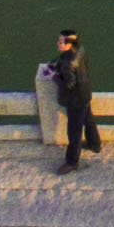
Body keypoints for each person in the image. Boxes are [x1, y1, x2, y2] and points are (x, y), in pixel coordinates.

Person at [49, 28, 101, 171]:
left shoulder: (68, 63)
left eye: (61, 42)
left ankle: (72, 162)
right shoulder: (81, 50)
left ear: (69, 44)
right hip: (84, 92)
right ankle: (94, 144)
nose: (57, 43)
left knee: (74, 132)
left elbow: (68, 84)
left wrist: (54, 77)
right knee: (88, 120)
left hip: (75, 101)